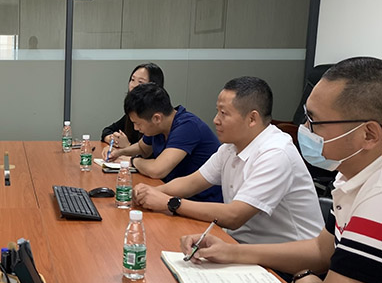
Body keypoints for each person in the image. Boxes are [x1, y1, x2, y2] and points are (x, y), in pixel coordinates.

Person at [180, 57, 382, 283]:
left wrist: (300, 275)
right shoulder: (349, 177)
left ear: (368, 134)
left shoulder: (377, 196)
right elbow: (321, 250)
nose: (304, 129)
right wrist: (230, 252)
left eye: (315, 122)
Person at [134, 76, 323, 244]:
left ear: (252, 119)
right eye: (217, 111)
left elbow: (234, 216)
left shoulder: (276, 153)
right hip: (241, 245)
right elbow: (191, 183)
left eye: (223, 113)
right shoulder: (230, 148)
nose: (215, 120)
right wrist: (148, 193)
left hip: (288, 262)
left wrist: (170, 203)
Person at [109, 83, 222, 202]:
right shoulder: (158, 127)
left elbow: (157, 170)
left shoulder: (188, 127)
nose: (136, 128)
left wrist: (132, 161)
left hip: (200, 201)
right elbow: (142, 148)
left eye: (137, 123)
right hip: (173, 195)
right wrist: (119, 153)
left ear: (157, 118)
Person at [101, 63, 164, 148]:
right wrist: (114, 140)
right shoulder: (134, 110)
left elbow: (149, 153)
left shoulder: (155, 116)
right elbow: (108, 130)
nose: (133, 85)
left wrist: (127, 146)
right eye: (132, 79)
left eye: (140, 82)